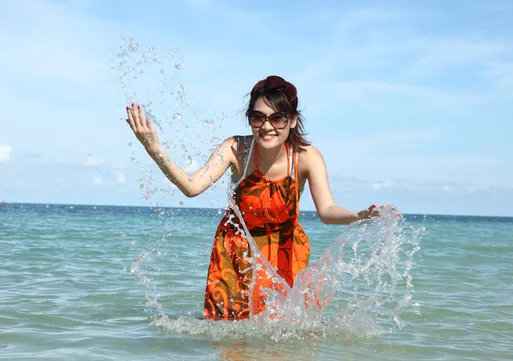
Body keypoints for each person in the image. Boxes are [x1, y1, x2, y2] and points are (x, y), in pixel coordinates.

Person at [126, 75, 383, 321]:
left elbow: (326, 211)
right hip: (235, 253)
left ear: (292, 120)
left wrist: (358, 216)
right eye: (258, 118)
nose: (267, 126)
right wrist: (154, 148)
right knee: (231, 341)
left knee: (285, 339)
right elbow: (192, 187)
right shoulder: (236, 149)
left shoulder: (305, 157)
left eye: (278, 118)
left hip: (286, 250)